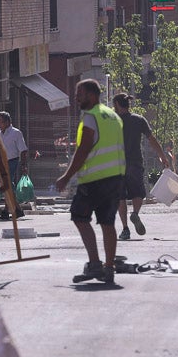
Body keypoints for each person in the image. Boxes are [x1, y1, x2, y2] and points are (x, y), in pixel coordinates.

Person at [55, 79, 125, 285]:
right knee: (107, 222)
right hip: (115, 177)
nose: (76, 98)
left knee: (79, 216)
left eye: (80, 94)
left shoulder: (91, 117)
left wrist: (66, 177)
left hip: (95, 179)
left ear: (92, 95)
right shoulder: (113, 116)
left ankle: (95, 263)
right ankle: (109, 268)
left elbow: (83, 150)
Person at [112, 93, 170, 240]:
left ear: (118, 105)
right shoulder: (139, 119)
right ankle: (135, 214)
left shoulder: (112, 121)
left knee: (120, 198)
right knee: (138, 193)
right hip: (135, 163)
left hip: (117, 164)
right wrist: (162, 156)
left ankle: (125, 229)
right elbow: (152, 139)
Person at [0, 110, 28, 219]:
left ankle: (7, 210)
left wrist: (23, 165)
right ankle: (17, 209)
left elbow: (23, 150)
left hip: (12, 161)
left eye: (1, 122)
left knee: (7, 184)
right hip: (1, 163)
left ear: (7, 122)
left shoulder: (16, 133)